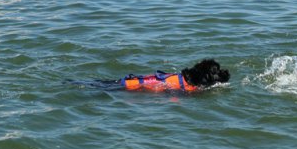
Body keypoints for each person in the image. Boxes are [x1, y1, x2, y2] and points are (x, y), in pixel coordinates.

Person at [89, 59, 230, 93]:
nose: (221, 72)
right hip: (121, 89)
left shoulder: (182, 79)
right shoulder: (188, 87)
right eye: (217, 71)